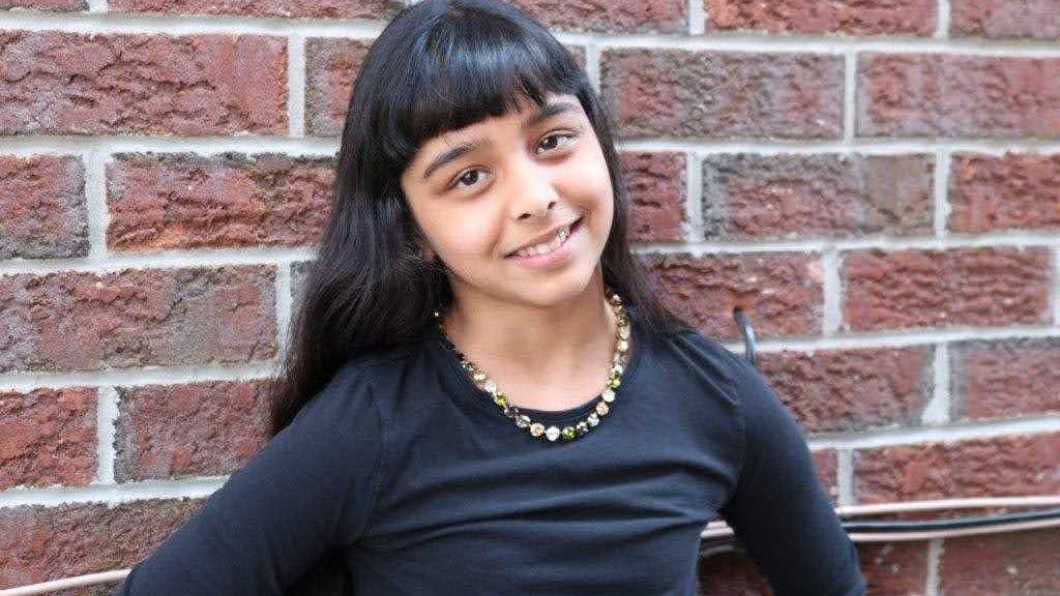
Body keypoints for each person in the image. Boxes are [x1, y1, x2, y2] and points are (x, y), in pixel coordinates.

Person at [111, 0, 867, 594]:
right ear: (410, 226)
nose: (536, 197)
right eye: (468, 176)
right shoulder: (371, 424)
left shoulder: (712, 396)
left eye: (551, 142)